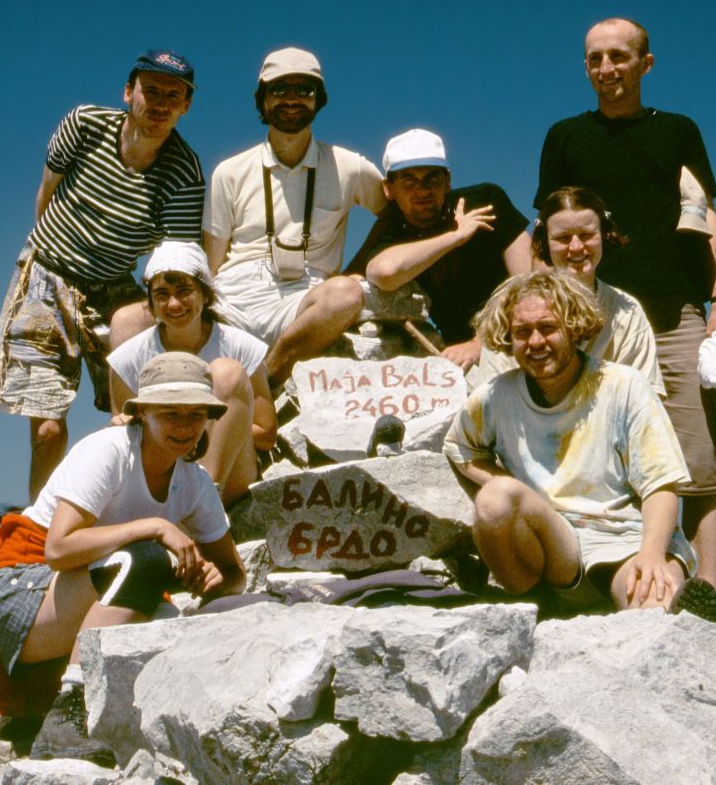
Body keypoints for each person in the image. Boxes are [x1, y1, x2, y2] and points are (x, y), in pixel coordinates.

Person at [535, 17, 716, 596]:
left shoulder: (677, 130)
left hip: (674, 314)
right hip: (589, 319)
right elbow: (548, 228)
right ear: (585, 67)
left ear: (645, 64)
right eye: (595, 59)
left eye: (619, 57)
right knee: (589, 459)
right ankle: (601, 587)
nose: (607, 69)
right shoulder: (565, 137)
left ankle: (708, 597)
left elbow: (705, 216)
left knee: (698, 464)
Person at [0, 352, 246, 765]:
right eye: (171, 413)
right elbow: (59, 549)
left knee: (162, 604)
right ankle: (71, 709)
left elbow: (234, 575)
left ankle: (39, 709)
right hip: (22, 590)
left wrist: (206, 579)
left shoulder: (194, 483)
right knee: (147, 561)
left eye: (196, 414)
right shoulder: (109, 451)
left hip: (75, 594)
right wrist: (152, 526)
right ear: (144, 414)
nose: (185, 426)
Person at [0, 49, 205, 501]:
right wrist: (55, 261)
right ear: (128, 92)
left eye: (173, 96)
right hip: (48, 275)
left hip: (116, 288)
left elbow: (174, 260)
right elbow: (47, 195)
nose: (159, 104)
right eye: (151, 91)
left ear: (185, 107)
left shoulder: (183, 174)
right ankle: (44, 529)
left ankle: (140, 506)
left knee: (145, 409)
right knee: (46, 425)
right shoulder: (83, 125)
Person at [445, 270, 716, 618]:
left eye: (548, 328)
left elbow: (661, 483)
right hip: (557, 544)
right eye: (522, 332)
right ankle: (538, 609)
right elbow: (459, 448)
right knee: (495, 500)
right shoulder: (495, 399)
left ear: (573, 327)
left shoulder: (623, 386)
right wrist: (515, 489)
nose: (536, 342)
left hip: (625, 539)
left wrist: (651, 554)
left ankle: (677, 610)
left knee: (651, 612)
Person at [201, 47, 387, 383]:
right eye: (279, 90)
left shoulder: (350, 167)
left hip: (305, 297)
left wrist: (357, 268)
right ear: (263, 100)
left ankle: (268, 377)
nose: (292, 99)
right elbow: (211, 262)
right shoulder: (228, 172)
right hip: (234, 299)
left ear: (318, 99)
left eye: (304, 90)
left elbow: (393, 216)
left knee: (346, 294)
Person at [345, 129, 531, 371]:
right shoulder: (392, 227)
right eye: (409, 179)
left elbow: (529, 282)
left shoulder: (485, 202)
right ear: (389, 188)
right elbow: (382, 273)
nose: (423, 191)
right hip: (454, 352)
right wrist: (455, 237)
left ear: (448, 180)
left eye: (433, 178)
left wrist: (479, 343)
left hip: (515, 334)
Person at [108, 240, 276, 506]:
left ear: (205, 295)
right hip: (164, 471)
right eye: (162, 294)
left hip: (229, 470)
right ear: (151, 303)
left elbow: (266, 435)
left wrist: (198, 432)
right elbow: (125, 433)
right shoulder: (128, 359)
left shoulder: (240, 346)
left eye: (184, 291)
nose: (174, 304)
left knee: (226, 372)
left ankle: (199, 505)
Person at [479, 187, 665, 395]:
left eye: (586, 235)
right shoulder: (511, 308)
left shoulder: (627, 310)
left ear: (604, 235)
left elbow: (644, 396)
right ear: (544, 242)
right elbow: (493, 397)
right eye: (563, 238)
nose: (576, 247)